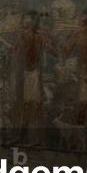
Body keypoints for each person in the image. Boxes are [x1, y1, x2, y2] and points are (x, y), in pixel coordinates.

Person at [10, 10, 59, 142]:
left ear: (33, 21)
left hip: (34, 75)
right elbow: (16, 53)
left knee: (36, 107)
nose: (25, 21)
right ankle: (23, 137)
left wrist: (46, 43)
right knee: (27, 106)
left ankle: (39, 139)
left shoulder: (39, 35)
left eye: (28, 19)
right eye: (24, 18)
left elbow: (54, 51)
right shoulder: (22, 35)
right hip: (26, 75)